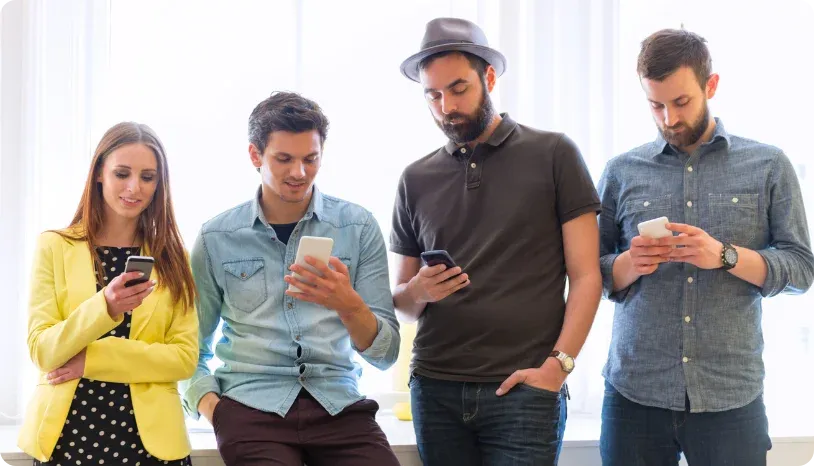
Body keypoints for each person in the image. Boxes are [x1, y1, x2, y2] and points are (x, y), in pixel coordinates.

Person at [597, 29, 814, 466]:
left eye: (681, 102)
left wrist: (726, 256)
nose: (668, 119)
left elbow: (802, 268)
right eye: (655, 105)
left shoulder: (769, 164)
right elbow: (591, 273)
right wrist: (628, 263)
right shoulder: (620, 171)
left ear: (710, 86)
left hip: (730, 397)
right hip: (634, 395)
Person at [392, 17, 603, 465]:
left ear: (489, 78)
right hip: (436, 389)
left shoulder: (554, 154)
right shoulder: (415, 178)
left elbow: (587, 276)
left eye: (458, 88)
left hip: (524, 391)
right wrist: (417, 292)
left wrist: (558, 366)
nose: (446, 106)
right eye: (433, 95)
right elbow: (404, 303)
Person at [180, 91, 401, 466]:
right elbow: (188, 348)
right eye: (284, 159)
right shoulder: (216, 237)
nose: (299, 172)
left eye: (310, 159)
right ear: (255, 155)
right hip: (250, 409)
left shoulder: (358, 227)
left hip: (339, 407)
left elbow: (386, 353)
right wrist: (215, 409)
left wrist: (347, 304)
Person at [19, 122, 199, 465]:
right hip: (68, 436)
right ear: (100, 172)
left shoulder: (173, 257)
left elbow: (184, 358)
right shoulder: (55, 246)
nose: (135, 187)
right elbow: (43, 350)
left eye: (148, 177)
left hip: (153, 445)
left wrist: (92, 360)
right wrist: (106, 306)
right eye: (122, 173)